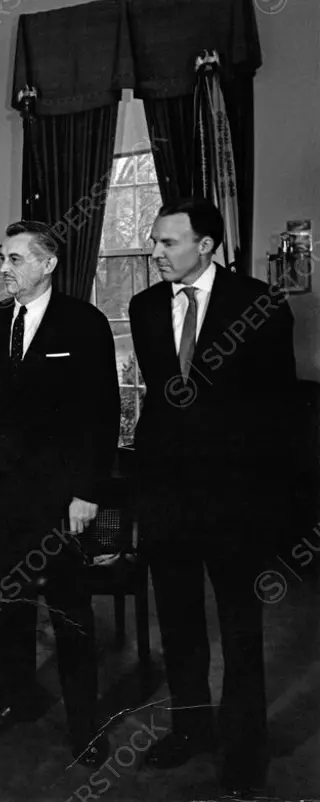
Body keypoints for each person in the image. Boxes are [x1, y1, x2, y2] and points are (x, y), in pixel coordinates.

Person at [130, 198, 295, 796]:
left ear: (206, 246)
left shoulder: (259, 304)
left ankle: (246, 747)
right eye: (153, 242)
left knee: (241, 625)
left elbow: (278, 413)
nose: (155, 253)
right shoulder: (145, 306)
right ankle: (191, 729)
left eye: (167, 243)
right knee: (177, 620)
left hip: (234, 497)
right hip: (167, 494)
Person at [0, 221, 119, 767]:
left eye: (14, 260)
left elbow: (102, 415)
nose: (3, 269)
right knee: (5, 607)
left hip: (59, 501)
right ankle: (16, 699)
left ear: (48, 264)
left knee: (69, 613)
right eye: (3, 260)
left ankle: (85, 725)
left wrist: (85, 493)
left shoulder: (85, 323)